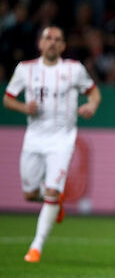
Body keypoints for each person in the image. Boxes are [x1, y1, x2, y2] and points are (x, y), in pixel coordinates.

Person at [3, 26, 101, 263]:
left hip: (62, 139)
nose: (52, 43)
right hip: (34, 138)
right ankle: (55, 202)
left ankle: (35, 248)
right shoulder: (25, 70)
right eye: (48, 38)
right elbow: (8, 99)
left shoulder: (73, 69)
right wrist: (24, 108)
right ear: (40, 44)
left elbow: (94, 93)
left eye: (58, 39)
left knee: (51, 190)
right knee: (29, 193)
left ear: (63, 46)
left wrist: (92, 105)